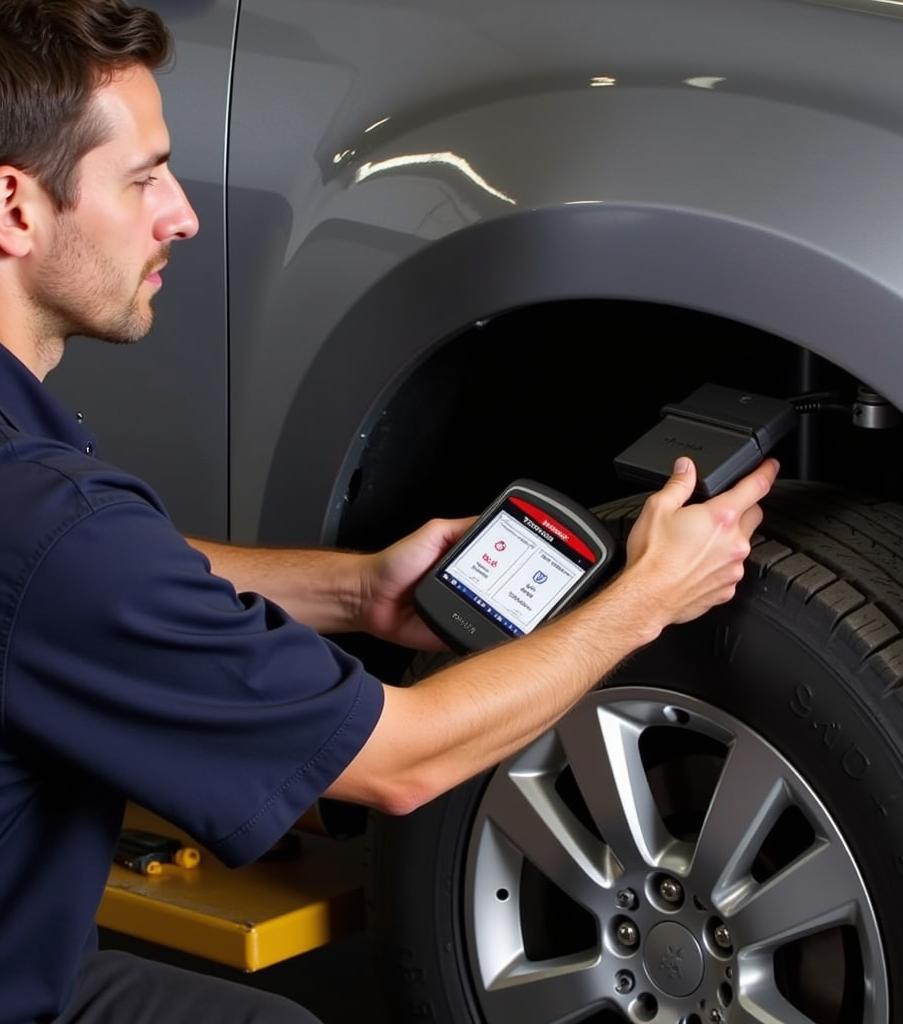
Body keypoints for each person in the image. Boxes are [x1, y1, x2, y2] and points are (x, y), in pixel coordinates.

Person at [0, 2, 778, 1021]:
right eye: (143, 177)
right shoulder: (51, 522)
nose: (182, 213)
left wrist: (358, 591)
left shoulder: (39, 508)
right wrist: (645, 599)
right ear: (14, 210)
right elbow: (404, 759)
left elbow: (67, 582)